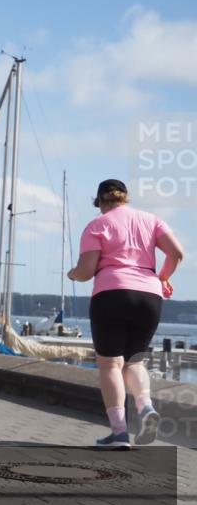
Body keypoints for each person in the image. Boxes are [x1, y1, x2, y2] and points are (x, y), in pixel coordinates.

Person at [67, 179, 185, 448]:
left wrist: (72, 274)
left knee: (111, 364)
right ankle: (146, 408)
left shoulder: (97, 225)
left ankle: (119, 432)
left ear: (99, 202)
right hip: (149, 295)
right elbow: (176, 253)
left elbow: (86, 271)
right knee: (134, 361)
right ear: (125, 198)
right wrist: (163, 278)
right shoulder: (151, 220)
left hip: (112, 293)